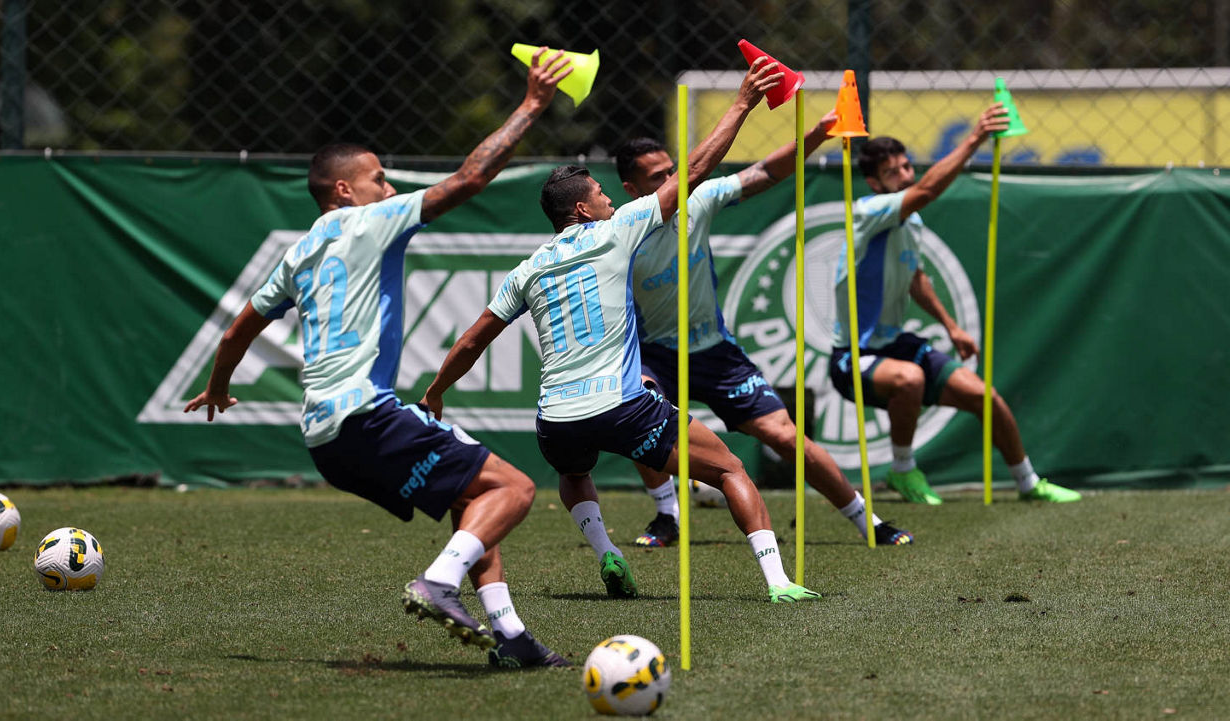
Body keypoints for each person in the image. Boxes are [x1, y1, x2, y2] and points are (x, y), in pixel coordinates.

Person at [183, 48, 576, 668]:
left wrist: (217, 386)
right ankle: (437, 584)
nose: (389, 189)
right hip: (366, 415)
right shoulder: (371, 221)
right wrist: (531, 105)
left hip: (324, 441)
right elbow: (470, 179)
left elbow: (236, 333)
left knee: (473, 497)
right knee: (516, 488)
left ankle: (512, 638)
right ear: (345, 190)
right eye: (379, 179)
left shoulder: (297, 254)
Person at [422, 58, 822, 604]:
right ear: (583, 209)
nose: (612, 199)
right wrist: (742, 103)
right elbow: (694, 170)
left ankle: (607, 551)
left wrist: (436, 391)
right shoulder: (617, 230)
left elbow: (472, 340)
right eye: (602, 194)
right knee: (730, 469)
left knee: (574, 474)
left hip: (556, 417)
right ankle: (778, 582)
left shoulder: (527, 269)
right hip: (621, 405)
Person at [614, 112, 913, 549]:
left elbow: (765, 171)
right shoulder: (621, 233)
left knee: (785, 436)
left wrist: (816, 135)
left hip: (714, 352)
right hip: (653, 354)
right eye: (657, 177)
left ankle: (868, 520)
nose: (672, 180)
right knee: (635, 407)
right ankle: (667, 515)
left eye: (671, 170)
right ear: (632, 189)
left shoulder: (697, 199)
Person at [829, 103, 1081, 505]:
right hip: (853, 356)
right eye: (893, 173)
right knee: (910, 379)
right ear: (874, 184)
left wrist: (952, 326)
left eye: (907, 166)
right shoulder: (869, 211)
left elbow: (915, 277)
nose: (906, 175)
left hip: (895, 344)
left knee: (985, 398)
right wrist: (976, 138)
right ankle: (903, 470)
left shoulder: (911, 222)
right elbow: (927, 191)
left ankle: (1029, 483)